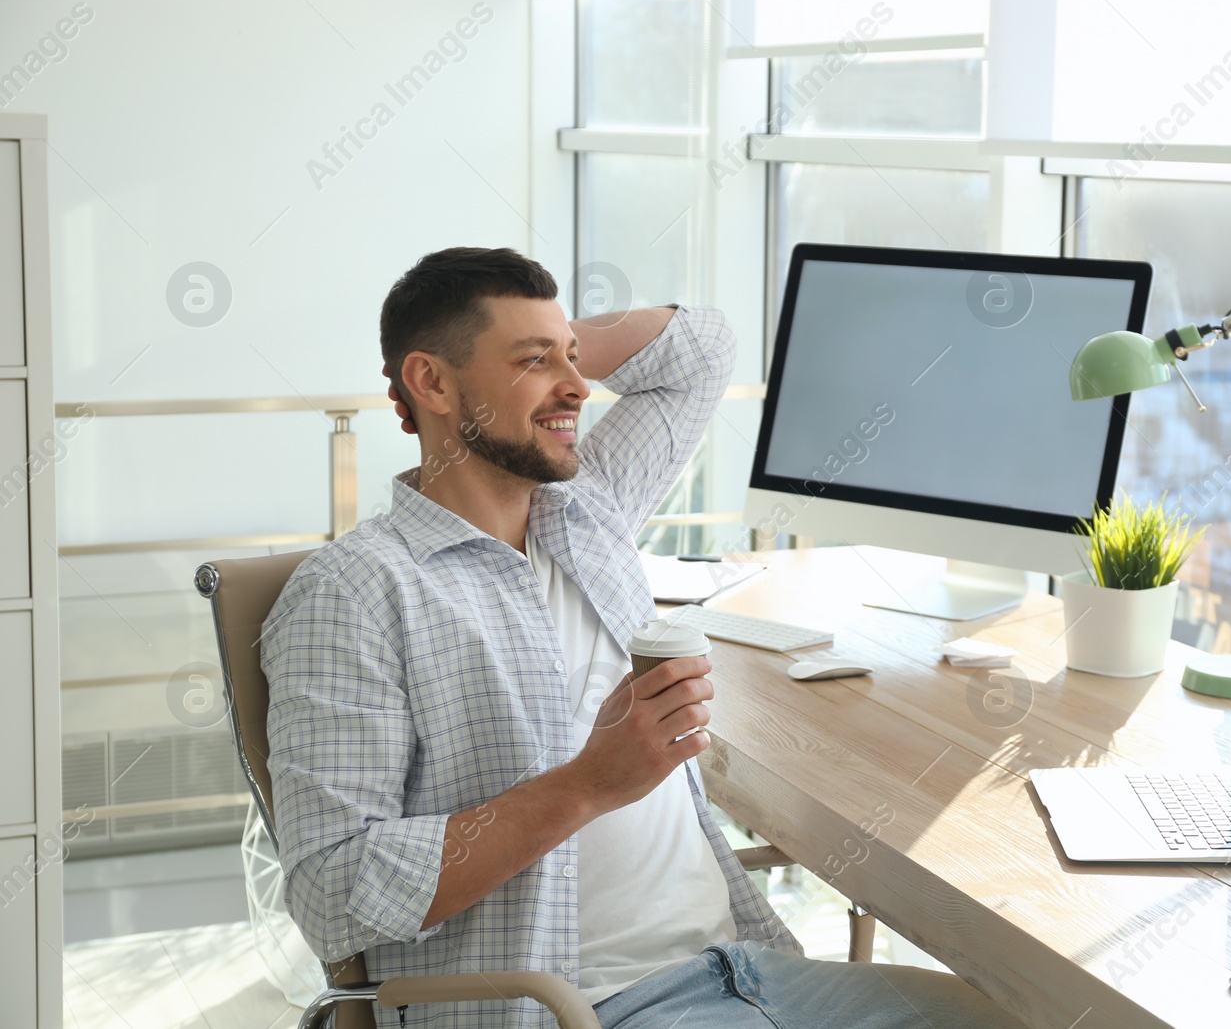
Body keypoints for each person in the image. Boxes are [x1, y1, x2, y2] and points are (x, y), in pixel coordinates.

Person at [262, 247, 1026, 1028]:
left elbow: (702, 348)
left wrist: (545, 349)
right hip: (581, 1008)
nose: (578, 387)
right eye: (533, 361)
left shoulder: (588, 507)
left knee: (1019, 1019)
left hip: (742, 965)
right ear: (431, 382)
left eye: (574, 357)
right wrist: (587, 783)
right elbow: (331, 892)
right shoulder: (353, 593)